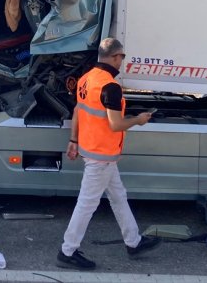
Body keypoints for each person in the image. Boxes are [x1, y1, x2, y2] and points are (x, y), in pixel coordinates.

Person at [57, 37, 160, 271]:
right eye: (122, 57)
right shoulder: (110, 86)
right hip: (101, 154)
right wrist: (139, 120)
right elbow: (115, 124)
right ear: (115, 57)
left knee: (118, 196)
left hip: (94, 150)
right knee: (87, 204)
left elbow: (78, 111)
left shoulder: (86, 79)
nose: (122, 61)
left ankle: (133, 242)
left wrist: (73, 139)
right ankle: (67, 251)